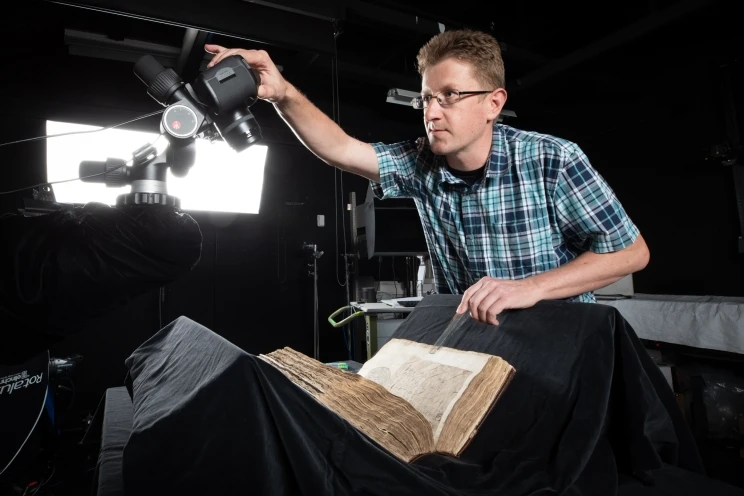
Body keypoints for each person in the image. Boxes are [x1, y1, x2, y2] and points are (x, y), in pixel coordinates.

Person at [205, 29, 650, 326]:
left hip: (566, 339)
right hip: (480, 342)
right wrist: (281, 93)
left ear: (494, 103)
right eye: (426, 99)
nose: (432, 113)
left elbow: (631, 253)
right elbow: (341, 149)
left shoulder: (551, 159)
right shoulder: (420, 164)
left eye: (451, 96)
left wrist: (529, 289)